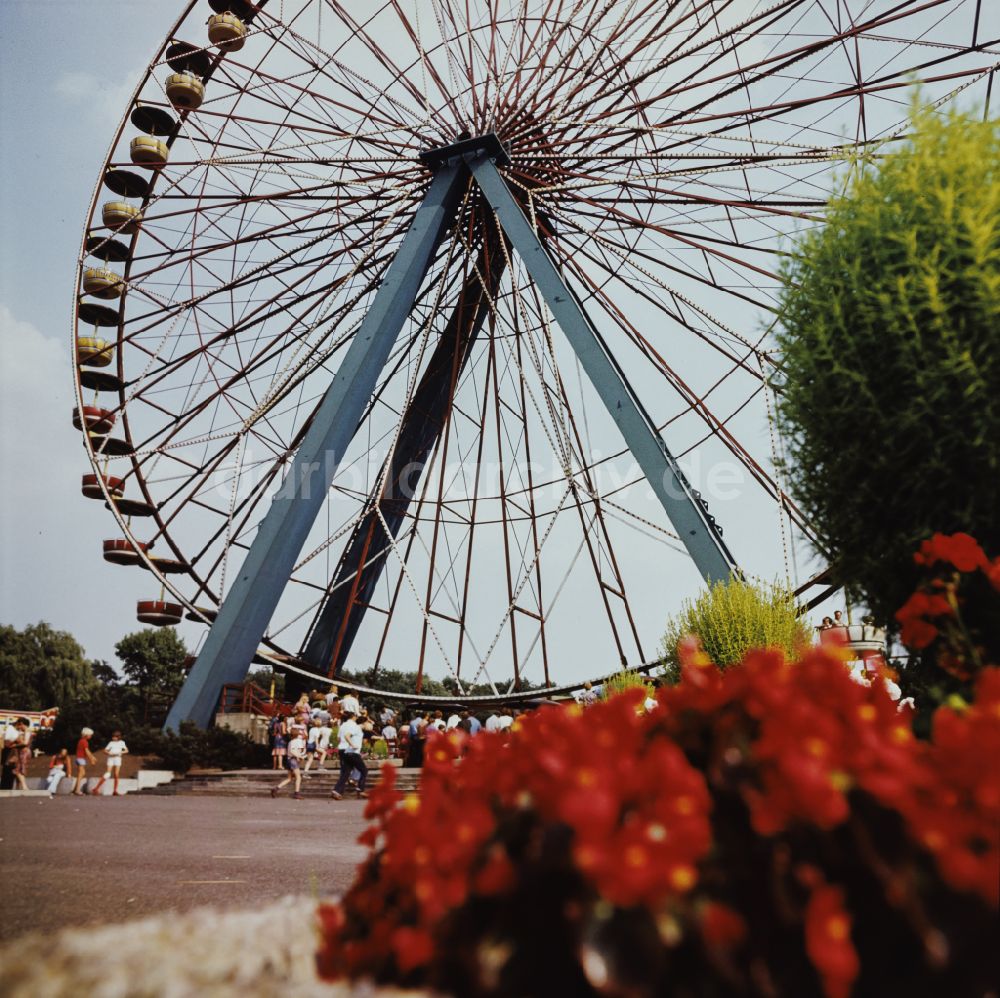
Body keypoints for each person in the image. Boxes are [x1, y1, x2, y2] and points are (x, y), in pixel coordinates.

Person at [330, 711, 367, 800]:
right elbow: (348, 736)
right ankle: (357, 785)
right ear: (353, 717)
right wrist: (352, 744)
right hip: (350, 748)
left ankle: (338, 790)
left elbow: (339, 738)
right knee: (361, 769)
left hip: (342, 748)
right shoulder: (354, 726)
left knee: (345, 771)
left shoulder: (342, 725)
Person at [271, 728, 306, 799]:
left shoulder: (290, 742)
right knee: (298, 777)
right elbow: (294, 751)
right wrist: (300, 756)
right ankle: (296, 793)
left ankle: (276, 788)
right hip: (293, 760)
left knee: (289, 778)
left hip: (289, 760)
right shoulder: (298, 741)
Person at [91, 731, 129, 796]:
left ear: (118, 737)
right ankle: (96, 788)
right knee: (108, 773)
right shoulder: (111, 743)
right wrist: (109, 753)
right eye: (113, 736)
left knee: (116, 775)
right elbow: (105, 750)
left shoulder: (122, 742)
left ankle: (115, 791)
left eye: (115, 737)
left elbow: (126, 750)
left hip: (118, 758)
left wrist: (120, 752)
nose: (113, 738)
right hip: (111, 758)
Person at [72, 727, 97, 796]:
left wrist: (92, 757)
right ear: (86, 735)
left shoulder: (81, 741)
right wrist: (91, 760)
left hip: (79, 758)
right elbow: (87, 752)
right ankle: (77, 790)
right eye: (90, 735)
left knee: (81, 773)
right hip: (81, 759)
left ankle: (75, 789)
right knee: (81, 774)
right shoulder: (84, 742)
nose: (91, 736)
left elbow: (87, 751)